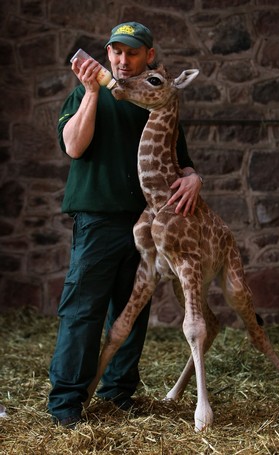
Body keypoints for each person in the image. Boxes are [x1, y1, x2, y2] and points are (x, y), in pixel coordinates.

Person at [48, 21, 202, 428]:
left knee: (133, 309)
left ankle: (117, 395)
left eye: (132, 52)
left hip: (149, 221)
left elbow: (178, 157)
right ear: (108, 52)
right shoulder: (84, 92)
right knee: (83, 310)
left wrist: (194, 176)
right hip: (97, 218)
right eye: (116, 51)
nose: (122, 59)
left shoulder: (154, 95)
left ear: (148, 55)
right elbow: (74, 146)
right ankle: (66, 403)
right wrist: (94, 94)